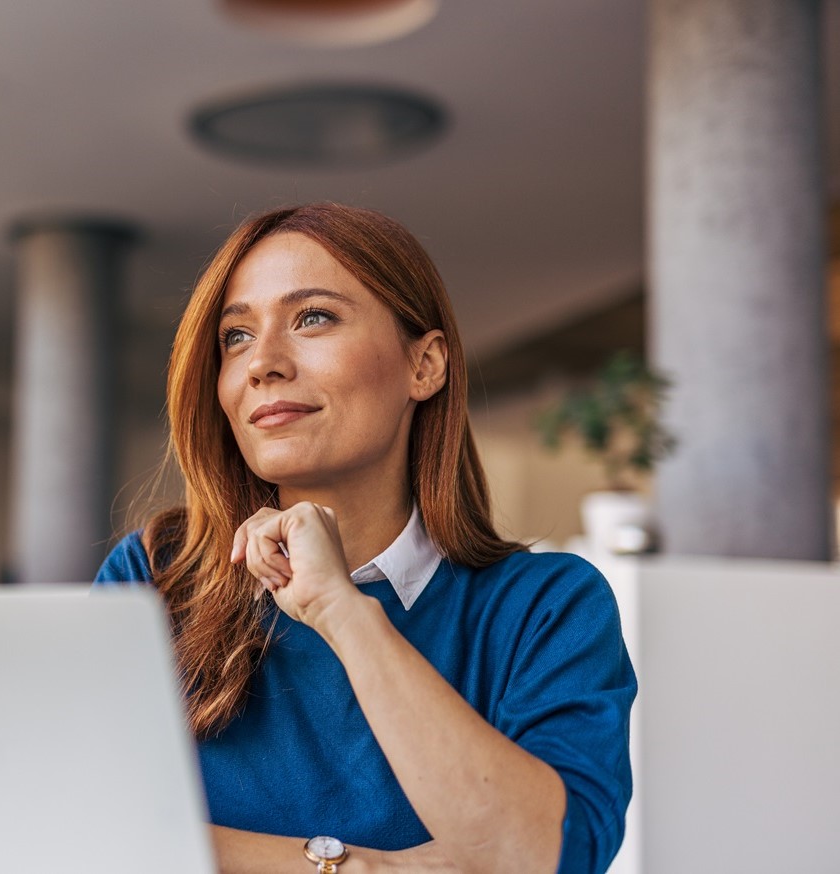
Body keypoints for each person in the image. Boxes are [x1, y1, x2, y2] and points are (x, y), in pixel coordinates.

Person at [95, 204, 635, 874]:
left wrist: (343, 613)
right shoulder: (157, 577)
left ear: (426, 365)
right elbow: (88, 829)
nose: (262, 363)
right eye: (235, 337)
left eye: (312, 317)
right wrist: (365, 869)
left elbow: (544, 858)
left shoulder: (545, 606)